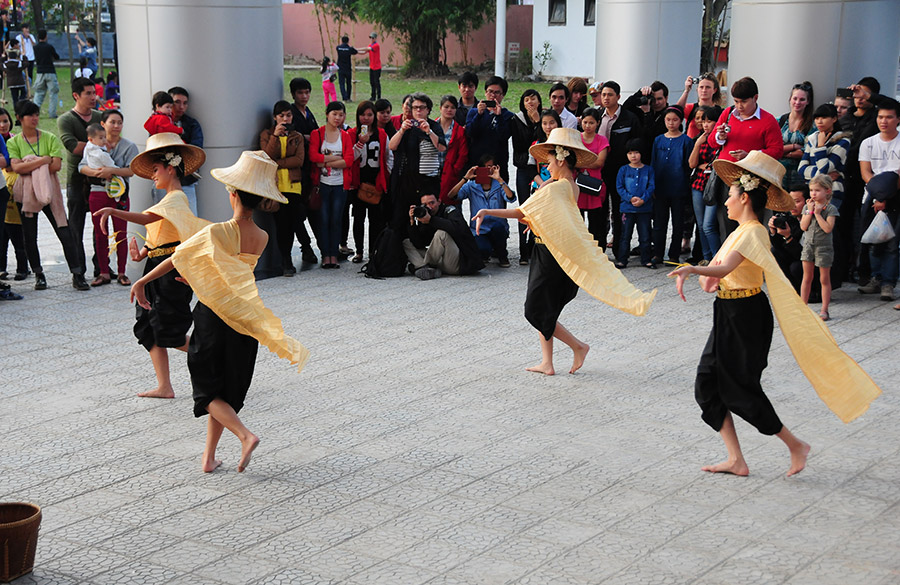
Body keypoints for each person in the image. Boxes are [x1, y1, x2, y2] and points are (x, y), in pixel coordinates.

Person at [668, 150, 881, 477]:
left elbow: (722, 267)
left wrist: (694, 267)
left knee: (739, 389)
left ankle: (795, 444)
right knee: (706, 385)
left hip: (747, 316)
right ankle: (736, 459)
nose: (726, 201)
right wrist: (703, 274)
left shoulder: (753, 232)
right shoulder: (738, 231)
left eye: (731, 195)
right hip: (726, 312)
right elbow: (713, 281)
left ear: (745, 198)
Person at [131, 151, 309, 473]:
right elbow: (232, 276)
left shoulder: (217, 232)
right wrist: (198, 276)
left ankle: (245, 435)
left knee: (206, 390)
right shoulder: (262, 236)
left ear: (234, 194)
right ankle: (209, 457)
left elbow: (177, 257)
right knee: (223, 389)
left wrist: (142, 281)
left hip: (213, 319)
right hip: (244, 320)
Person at [474, 127, 656, 376]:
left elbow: (521, 212)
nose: (547, 165)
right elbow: (553, 216)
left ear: (560, 159)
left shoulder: (555, 188)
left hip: (550, 255)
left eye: (549, 161)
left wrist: (487, 211)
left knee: (535, 310)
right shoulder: (569, 185)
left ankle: (578, 346)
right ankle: (547, 362)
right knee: (544, 308)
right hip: (548, 250)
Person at [93, 132, 208, 398]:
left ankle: (217, 358)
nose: (153, 175)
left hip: (170, 270)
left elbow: (147, 220)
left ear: (170, 168)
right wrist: (142, 253)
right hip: (156, 266)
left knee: (171, 331)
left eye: (155, 170)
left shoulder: (176, 197)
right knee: (148, 327)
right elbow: (163, 233)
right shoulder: (168, 201)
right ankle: (165, 385)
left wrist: (114, 211)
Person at [8, 100, 85, 291]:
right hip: (26, 194)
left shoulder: (49, 137)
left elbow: (56, 166)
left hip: (51, 192)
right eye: (30, 115)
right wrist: (43, 160)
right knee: (30, 236)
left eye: (36, 114)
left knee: (64, 232)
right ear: (19, 118)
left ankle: (77, 274)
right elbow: (16, 167)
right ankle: (38, 274)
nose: (35, 118)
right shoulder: (14, 142)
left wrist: (30, 164)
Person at [79, 109, 138, 287]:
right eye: (112, 122)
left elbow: (132, 170)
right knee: (100, 233)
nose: (116, 126)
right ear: (103, 124)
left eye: (119, 122)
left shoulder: (129, 146)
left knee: (121, 233)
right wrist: (98, 173)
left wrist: (111, 171)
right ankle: (103, 272)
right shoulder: (91, 145)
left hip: (119, 194)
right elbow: (81, 167)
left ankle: (122, 272)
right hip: (97, 192)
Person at [58, 77, 101, 283]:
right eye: (88, 93)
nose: (94, 97)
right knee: (75, 227)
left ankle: (101, 268)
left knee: (100, 225)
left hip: (100, 180)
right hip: (76, 179)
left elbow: (112, 142)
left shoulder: (101, 116)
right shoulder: (66, 119)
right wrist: (100, 144)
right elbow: (72, 147)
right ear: (76, 95)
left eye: (94, 93)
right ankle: (78, 272)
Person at [856, 99, 900, 301]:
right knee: (873, 239)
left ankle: (888, 283)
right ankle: (875, 278)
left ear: (897, 119)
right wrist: (878, 195)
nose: (884, 121)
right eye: (881, 117)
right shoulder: (868, 143)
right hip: (872, 196)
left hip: (895, 197)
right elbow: (865, 172)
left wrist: (885, 196)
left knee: (891, 241)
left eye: (889, 117)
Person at [260, 100, 306, 276]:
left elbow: (299, 161)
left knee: (292, 223)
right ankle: (285, 260)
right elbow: (266, 157)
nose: (285, 119)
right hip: (275, 186)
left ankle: (290, 256)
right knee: (281, 225)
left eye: (288, 115)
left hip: (293, 186)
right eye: (281, 116)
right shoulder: (266, 135)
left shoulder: (297, 136)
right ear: (275, 117)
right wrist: (275, 137)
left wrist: (277, 163)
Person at [388, 92, 446, 231]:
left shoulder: (434, 126)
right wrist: (402, 130)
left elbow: (442, 148)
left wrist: (428, 131)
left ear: (428, 109)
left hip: (428, 180)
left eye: (422, 107)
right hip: (407, 180)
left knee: (427, 217)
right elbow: (392, 146)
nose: (418, 111)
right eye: (415, 107)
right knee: (403, 217)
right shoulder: (407, 126)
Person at [308, 101, 354, 268]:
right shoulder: (317, 134)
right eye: (334, 114)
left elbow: (349, 160)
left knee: (336, 220)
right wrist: (337, 159)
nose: (337, 118)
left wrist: (325, 162)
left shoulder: (346, 136)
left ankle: (333, 255)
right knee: (324, 219)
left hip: (340, 184)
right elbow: (313, 157)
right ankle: (324, 253)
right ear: (327, 114)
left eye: (341, 115)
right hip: (322, 184)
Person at [448, 155, 516, 266]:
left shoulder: (499, 185)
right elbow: (451, 195)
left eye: (490, 167)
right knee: (483, 249)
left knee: (499, 229)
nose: (487, 170)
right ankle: (486, 252)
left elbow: (511, 197)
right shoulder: (471, 186)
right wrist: (465, 178)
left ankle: (502, 255)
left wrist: (500, 179)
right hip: (479, 229)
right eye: (484, 168)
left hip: (497, 226)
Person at [598, 80, 642, 254]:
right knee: (600, 211)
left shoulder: (629, 118)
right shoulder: (596, 116)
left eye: (610, 94)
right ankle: (599, 250)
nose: (606, 98)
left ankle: (620, 251)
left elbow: (638, 143)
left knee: (619, 211)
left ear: (618, 96)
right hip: (600, 171)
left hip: (622, 172)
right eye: (603, 95)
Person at [403, 191, 483, 279]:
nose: (429, 207)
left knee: (442, 233)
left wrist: (431, 220)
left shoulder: (450, 210)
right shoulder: (425, 214)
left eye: (432, 203)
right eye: (425, 204)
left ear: (439, 201)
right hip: (439, 258)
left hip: (460, 262)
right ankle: (424, 268)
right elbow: (419, 243)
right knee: (406, 242)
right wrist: (412, 223)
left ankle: (423, 266)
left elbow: (458, 229)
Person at [651, 105, 693, 264]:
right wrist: (652, 185)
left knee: (678, 223)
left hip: (679, 187)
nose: (671, 123)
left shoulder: (686, 141)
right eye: (668, 119)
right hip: (660, 187)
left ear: (681, 121)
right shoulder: (658, 140)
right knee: (660, 222)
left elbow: (688, 165)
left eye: (675, 120)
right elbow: (653, 162)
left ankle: (674, 254)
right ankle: (658, 254)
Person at [347, 100, 388, 263]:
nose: (366, 118)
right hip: (358, 182)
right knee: (358, 218)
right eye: (362, 115)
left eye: (369, 115)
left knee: (375, 219)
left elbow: (386, 158)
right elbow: (350, 158)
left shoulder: (382, 134)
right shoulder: (351, 134)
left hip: (376, 180)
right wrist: (360, 142)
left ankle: (373, 251)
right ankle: (359, 251)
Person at [799, 175, 838, 320]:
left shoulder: (830, 209)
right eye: (811, 190)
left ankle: (824, 309)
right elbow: (803, 226)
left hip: (824, 247)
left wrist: (818, 214)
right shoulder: (806, 206)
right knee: (807, 276)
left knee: (824, 279)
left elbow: (828, 228)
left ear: (827, 191)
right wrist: (809, 211)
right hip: (808, 245)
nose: (813, 194)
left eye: (817, 190)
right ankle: (803, 307)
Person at [510, 89, 542, 263]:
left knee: (538, 208)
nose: (530, 102)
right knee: (523, 208)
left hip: (541, 169)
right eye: (526, 100)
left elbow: (543, 141)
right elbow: (519, 145)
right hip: (524, 167)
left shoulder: (544, 118)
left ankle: (534, 246)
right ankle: (523, 250)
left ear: (539, 101)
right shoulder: (517, 120)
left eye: (533, 99)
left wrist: (538, 122)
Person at [689, 105, 723, 263]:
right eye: (704, 121)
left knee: (709, 225)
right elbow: (691, 164)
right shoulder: (699, 139)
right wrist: (697, 144)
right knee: (701, 225)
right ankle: (707, 257)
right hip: (698, 184)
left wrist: (706, 165)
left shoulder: (721, 141)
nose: (706, 124)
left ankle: (717, 259)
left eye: (710, 121)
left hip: (715, 185)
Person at [798, 103, 850, 207]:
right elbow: (801, 169)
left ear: (834, 119)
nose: (819, 121)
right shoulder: (812, 139)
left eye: (824, 117)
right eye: (817, 118)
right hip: (811, 192)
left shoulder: (843, 141)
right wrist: (823, 176)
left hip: (832, 192)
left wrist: (821, 147)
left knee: (826, 223)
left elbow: (825, 169)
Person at [466, 76, 514, 182]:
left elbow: (504, 136)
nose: (493, 95)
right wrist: (479, 115)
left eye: (497, 93)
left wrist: (498, 116)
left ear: (503, 95)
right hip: (478, 163)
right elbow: (470, 132)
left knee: (498, 196)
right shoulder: (474, 112)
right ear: (485, 92)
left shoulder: (507, 115)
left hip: (498, 165)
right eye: (490, 91)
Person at [615, 138, 655, 268]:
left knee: (645, 235)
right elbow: (619, 187)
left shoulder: (648, 170)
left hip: (645, 209)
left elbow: (651, 186)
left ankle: (646, 259)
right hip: (627, 208)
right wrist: (630, 198)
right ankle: (622, 259)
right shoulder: (623, 170)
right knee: (625, 235)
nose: (633, 156)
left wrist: (643, 199)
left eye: (636, 152)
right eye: (630, 153)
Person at [0, 107, 29, 284]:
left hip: (14, 188)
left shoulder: (16, 140)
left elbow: (11, 164)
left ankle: (23, 268)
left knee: (19, 232)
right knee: (2, 233)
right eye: (0, 122)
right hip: (5, 185)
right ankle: (2, 268)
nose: (3, 125)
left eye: (5, 121)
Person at [167, 86, 203, 213]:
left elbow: (196, 150)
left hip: (186, 180)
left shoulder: (192, 124)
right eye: (177, 102)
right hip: (164, 180)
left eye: (185, 103)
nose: (181, 106)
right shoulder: (159, 123)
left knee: (191, 220)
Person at [576, 107, 608, 247]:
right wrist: (589, 162)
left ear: (598, 123)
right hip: (578, 186)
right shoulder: (576, 138)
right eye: (585, 122)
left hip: (595, 185)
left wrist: (580, 162)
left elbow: (600, 162)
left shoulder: (602, 140)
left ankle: (598, 251)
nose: (587, 126)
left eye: (591, 123)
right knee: (578, 222)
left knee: (597, 223)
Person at [768, 184, 807, 292]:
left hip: (813, 265)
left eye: (797, 201)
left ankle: (809, 292)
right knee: (775, 251)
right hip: (797, 259)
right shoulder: (789, 218)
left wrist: (788, 237)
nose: (793, 206)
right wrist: (773, 231)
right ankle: (792, 290)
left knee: (796, 267)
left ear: (807, 202)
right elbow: (778, 247)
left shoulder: (813, 221)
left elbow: (804, 255)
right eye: (791, 201)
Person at [778, 81, 815, 188]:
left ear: (808, 102)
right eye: (795, 98)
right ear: (790, 99)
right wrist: (793, 146)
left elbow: (807, 152)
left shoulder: (812, 125)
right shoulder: (780, 120)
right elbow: (771, 148)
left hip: (799, 176)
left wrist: (782, 152)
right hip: (778, 173)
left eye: (802, 99)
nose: (797, 102)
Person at [436, 95, 468, 205]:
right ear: (440, 108)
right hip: (432, 171)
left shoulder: (459, 130)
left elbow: (463, 154)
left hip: (450, 173)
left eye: (453, 107)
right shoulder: (431, 126)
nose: (449, 110)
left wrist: (455, 169)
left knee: (450, 203)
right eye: (446, 107)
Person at [623, 80, 670, 148]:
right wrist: (639, 93)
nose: (656, 102)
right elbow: (625, 108)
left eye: (659, 99)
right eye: (653, 99)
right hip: (640, 154)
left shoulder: (669, 115)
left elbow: (652, 135)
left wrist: (647, 114)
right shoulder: (644, 109)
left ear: (666, 98)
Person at [676, 73, 723, 138]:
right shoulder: (691, 108)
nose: (704, 90)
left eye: (708, 87)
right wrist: (686, 90)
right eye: (701, 87)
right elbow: (676, 111)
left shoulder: (719, 111)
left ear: (714, 90)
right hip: (691, 145)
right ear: (697, 89)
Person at [31, 29, 60, 119]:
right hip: (50, 72)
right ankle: (52, 113)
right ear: (46, 36)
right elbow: (56, 57)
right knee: (53, 93)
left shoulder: (35, 48)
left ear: (38, 37)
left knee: (39, 93)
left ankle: (33, 112)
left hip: (40, 72)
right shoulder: (49, 47)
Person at [358, 32, 381, 101]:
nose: (372, 39)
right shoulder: (370, 45)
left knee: (376, 82)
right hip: (372, 66)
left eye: (373, 38)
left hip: (377, 67)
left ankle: (378, 96)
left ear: (375, 38)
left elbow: (367, 49)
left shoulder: (376, 46)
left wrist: (357, 49)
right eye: (371, 38)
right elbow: (364, 52)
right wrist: (355, 51)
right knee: (372, 82)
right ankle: (373, 96)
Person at [335, 36, 358, 101]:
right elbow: (355, 52)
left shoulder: (338, 48)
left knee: (341, 83)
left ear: (342, 41)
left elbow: (338, 48)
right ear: (348, 41)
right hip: (347, 68)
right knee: (348, 83)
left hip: (340, 68)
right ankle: (348, 97)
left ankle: (344, 97)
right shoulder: (349, 49)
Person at [4, 40, 26, 105]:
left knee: (14, 97)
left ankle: (16, 106)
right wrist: (25, 58)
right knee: (23, 92)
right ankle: (20, 103)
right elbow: (25, 64)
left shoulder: (6, 64)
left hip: (11, 81)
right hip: (19, 78)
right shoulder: (18, 61)